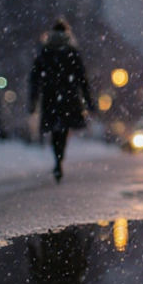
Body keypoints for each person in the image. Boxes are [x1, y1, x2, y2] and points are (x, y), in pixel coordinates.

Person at [28, 19, 93, 183]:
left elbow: (35, 78)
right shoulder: (72, 51)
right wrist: (88, 101)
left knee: (54, 131)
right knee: (63, 130)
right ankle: (59, 159)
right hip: (69, 97)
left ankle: (57, 159)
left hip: (50, 96)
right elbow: (82, 79)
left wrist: (33, 100)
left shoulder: (45, 51)